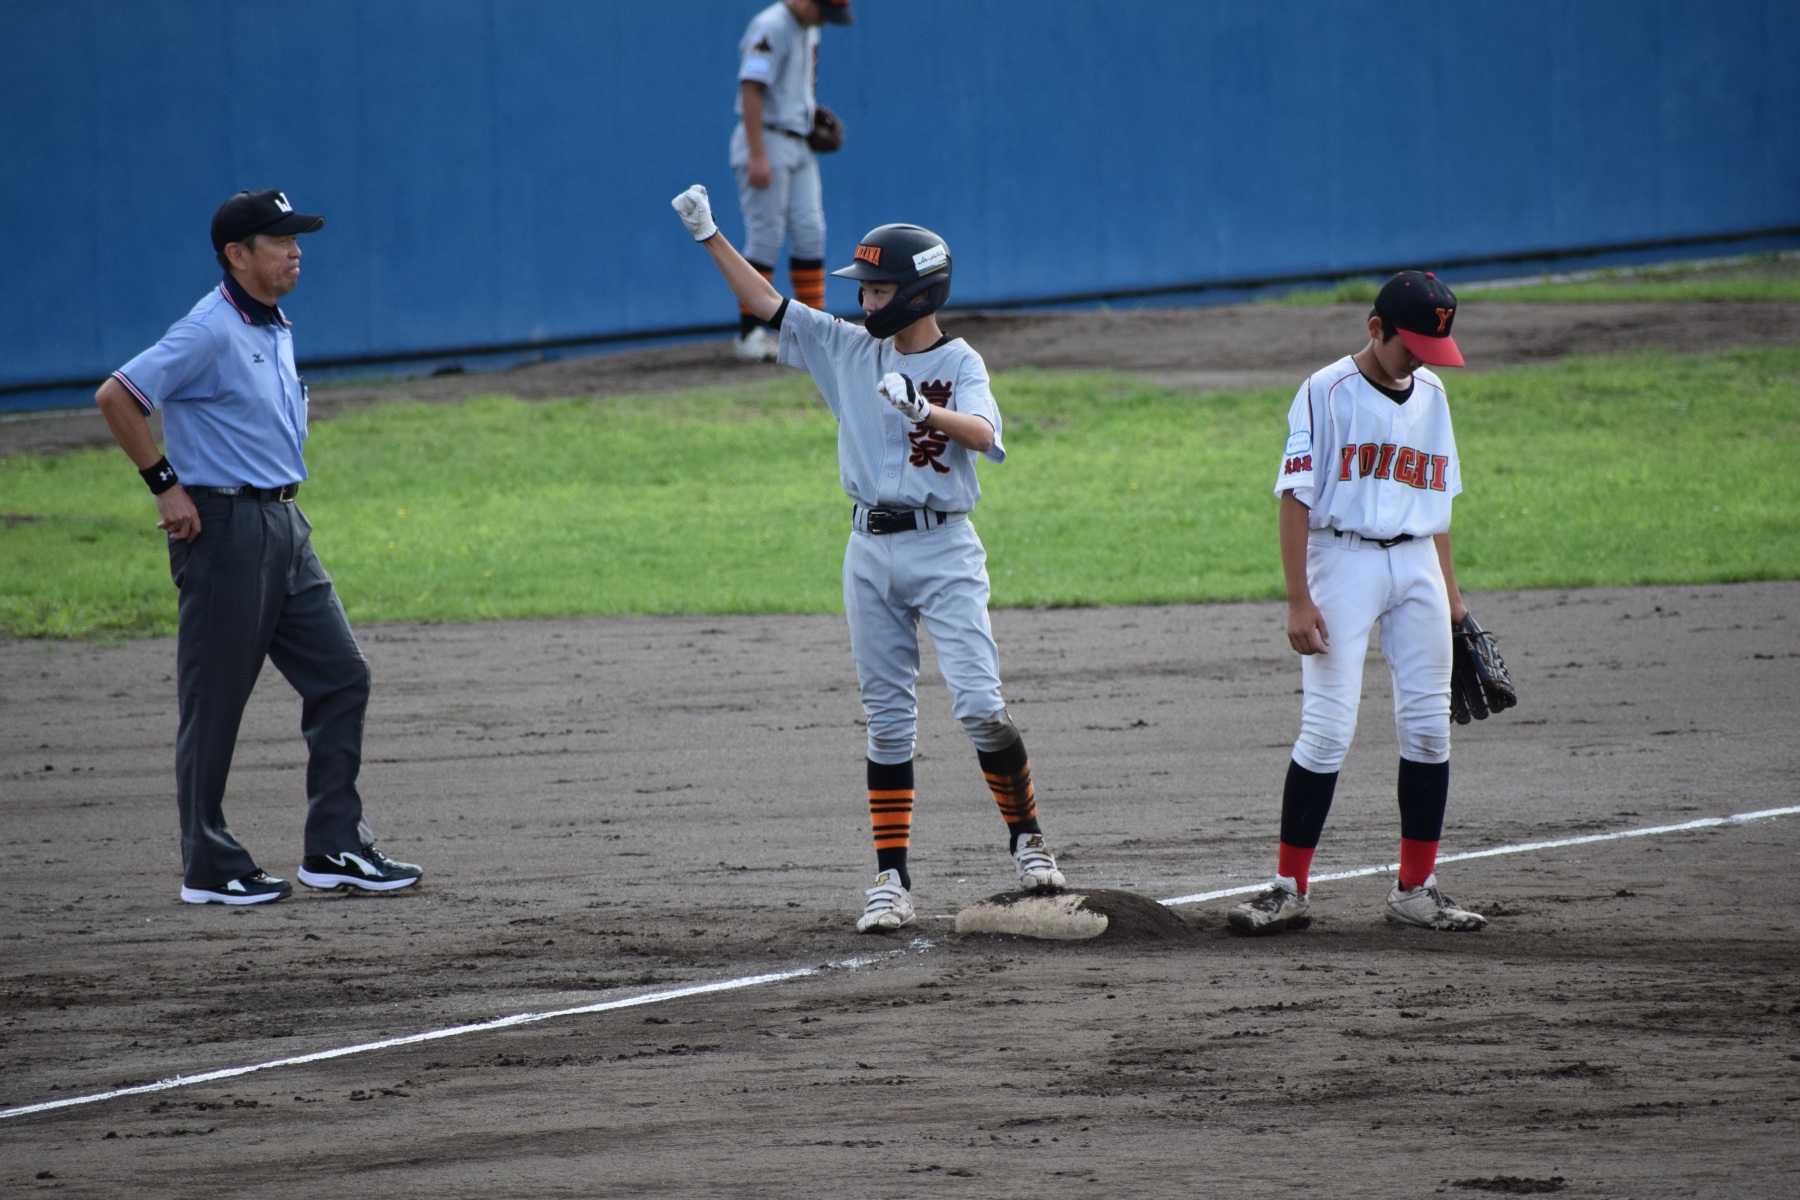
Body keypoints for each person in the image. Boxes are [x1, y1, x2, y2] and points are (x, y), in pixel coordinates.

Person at [671, 183, 1065, 932]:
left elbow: (985, 435)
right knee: (886, 723)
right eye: (865, 288)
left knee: (981, 708)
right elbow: (766, 304)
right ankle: (891, 880)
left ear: (919, 294)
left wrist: (925, 410)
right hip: (868, 551)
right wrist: (709, 235)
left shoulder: (962, 361)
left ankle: (1029, 840)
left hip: (944, 549)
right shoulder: (847, 348)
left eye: (879, 289)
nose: (866, 299)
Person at [93, 188, 422, 905]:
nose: (296, 251)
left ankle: (335, 845)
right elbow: (117, 396)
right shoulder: (208, 329)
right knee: (215, 703)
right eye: (280, 242)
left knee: (342, 676)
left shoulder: (271, 323)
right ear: (237, 255)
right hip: (223, 529)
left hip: (284, 526)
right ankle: (209, 865)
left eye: (296, 239)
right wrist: (165, 485)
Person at [1228, 270, 1487, 935]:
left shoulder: (1433, 393)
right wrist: (1298, 599)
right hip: (1341, 561)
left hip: (1418, 563)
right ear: (1376, 329)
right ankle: (1288, 889)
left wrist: (1453, 600)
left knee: (1428, 729)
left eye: (1432, 352)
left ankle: (1416, 890)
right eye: (1411, 348)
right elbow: (1295, 498)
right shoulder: (1325, 391)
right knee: (1326, 730)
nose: (1420, 363)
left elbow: (1438, 505)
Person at [727, 0, 853, 362]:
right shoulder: (771, 25)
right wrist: (757, 155)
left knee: (811, 231)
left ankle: (814, 333)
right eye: (823, 10)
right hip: (766, 140)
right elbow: (751, 89)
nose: (824, 19)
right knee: (765, 236)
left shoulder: (809, 28)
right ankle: (750, 334)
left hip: (798, 142)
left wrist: (808, 115)